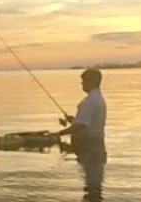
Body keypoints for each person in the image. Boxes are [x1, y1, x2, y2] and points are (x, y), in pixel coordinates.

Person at [56, 68, 107, 201]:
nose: (82, 84)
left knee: (92, 185)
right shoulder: (97, 99)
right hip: (95, 146)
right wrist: (72, 120)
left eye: (83, 81)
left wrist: (59, 134)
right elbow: (85, 122)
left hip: (90, 147)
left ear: (90, 81)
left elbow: (81, 126)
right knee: (94, 183)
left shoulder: (90, 101)